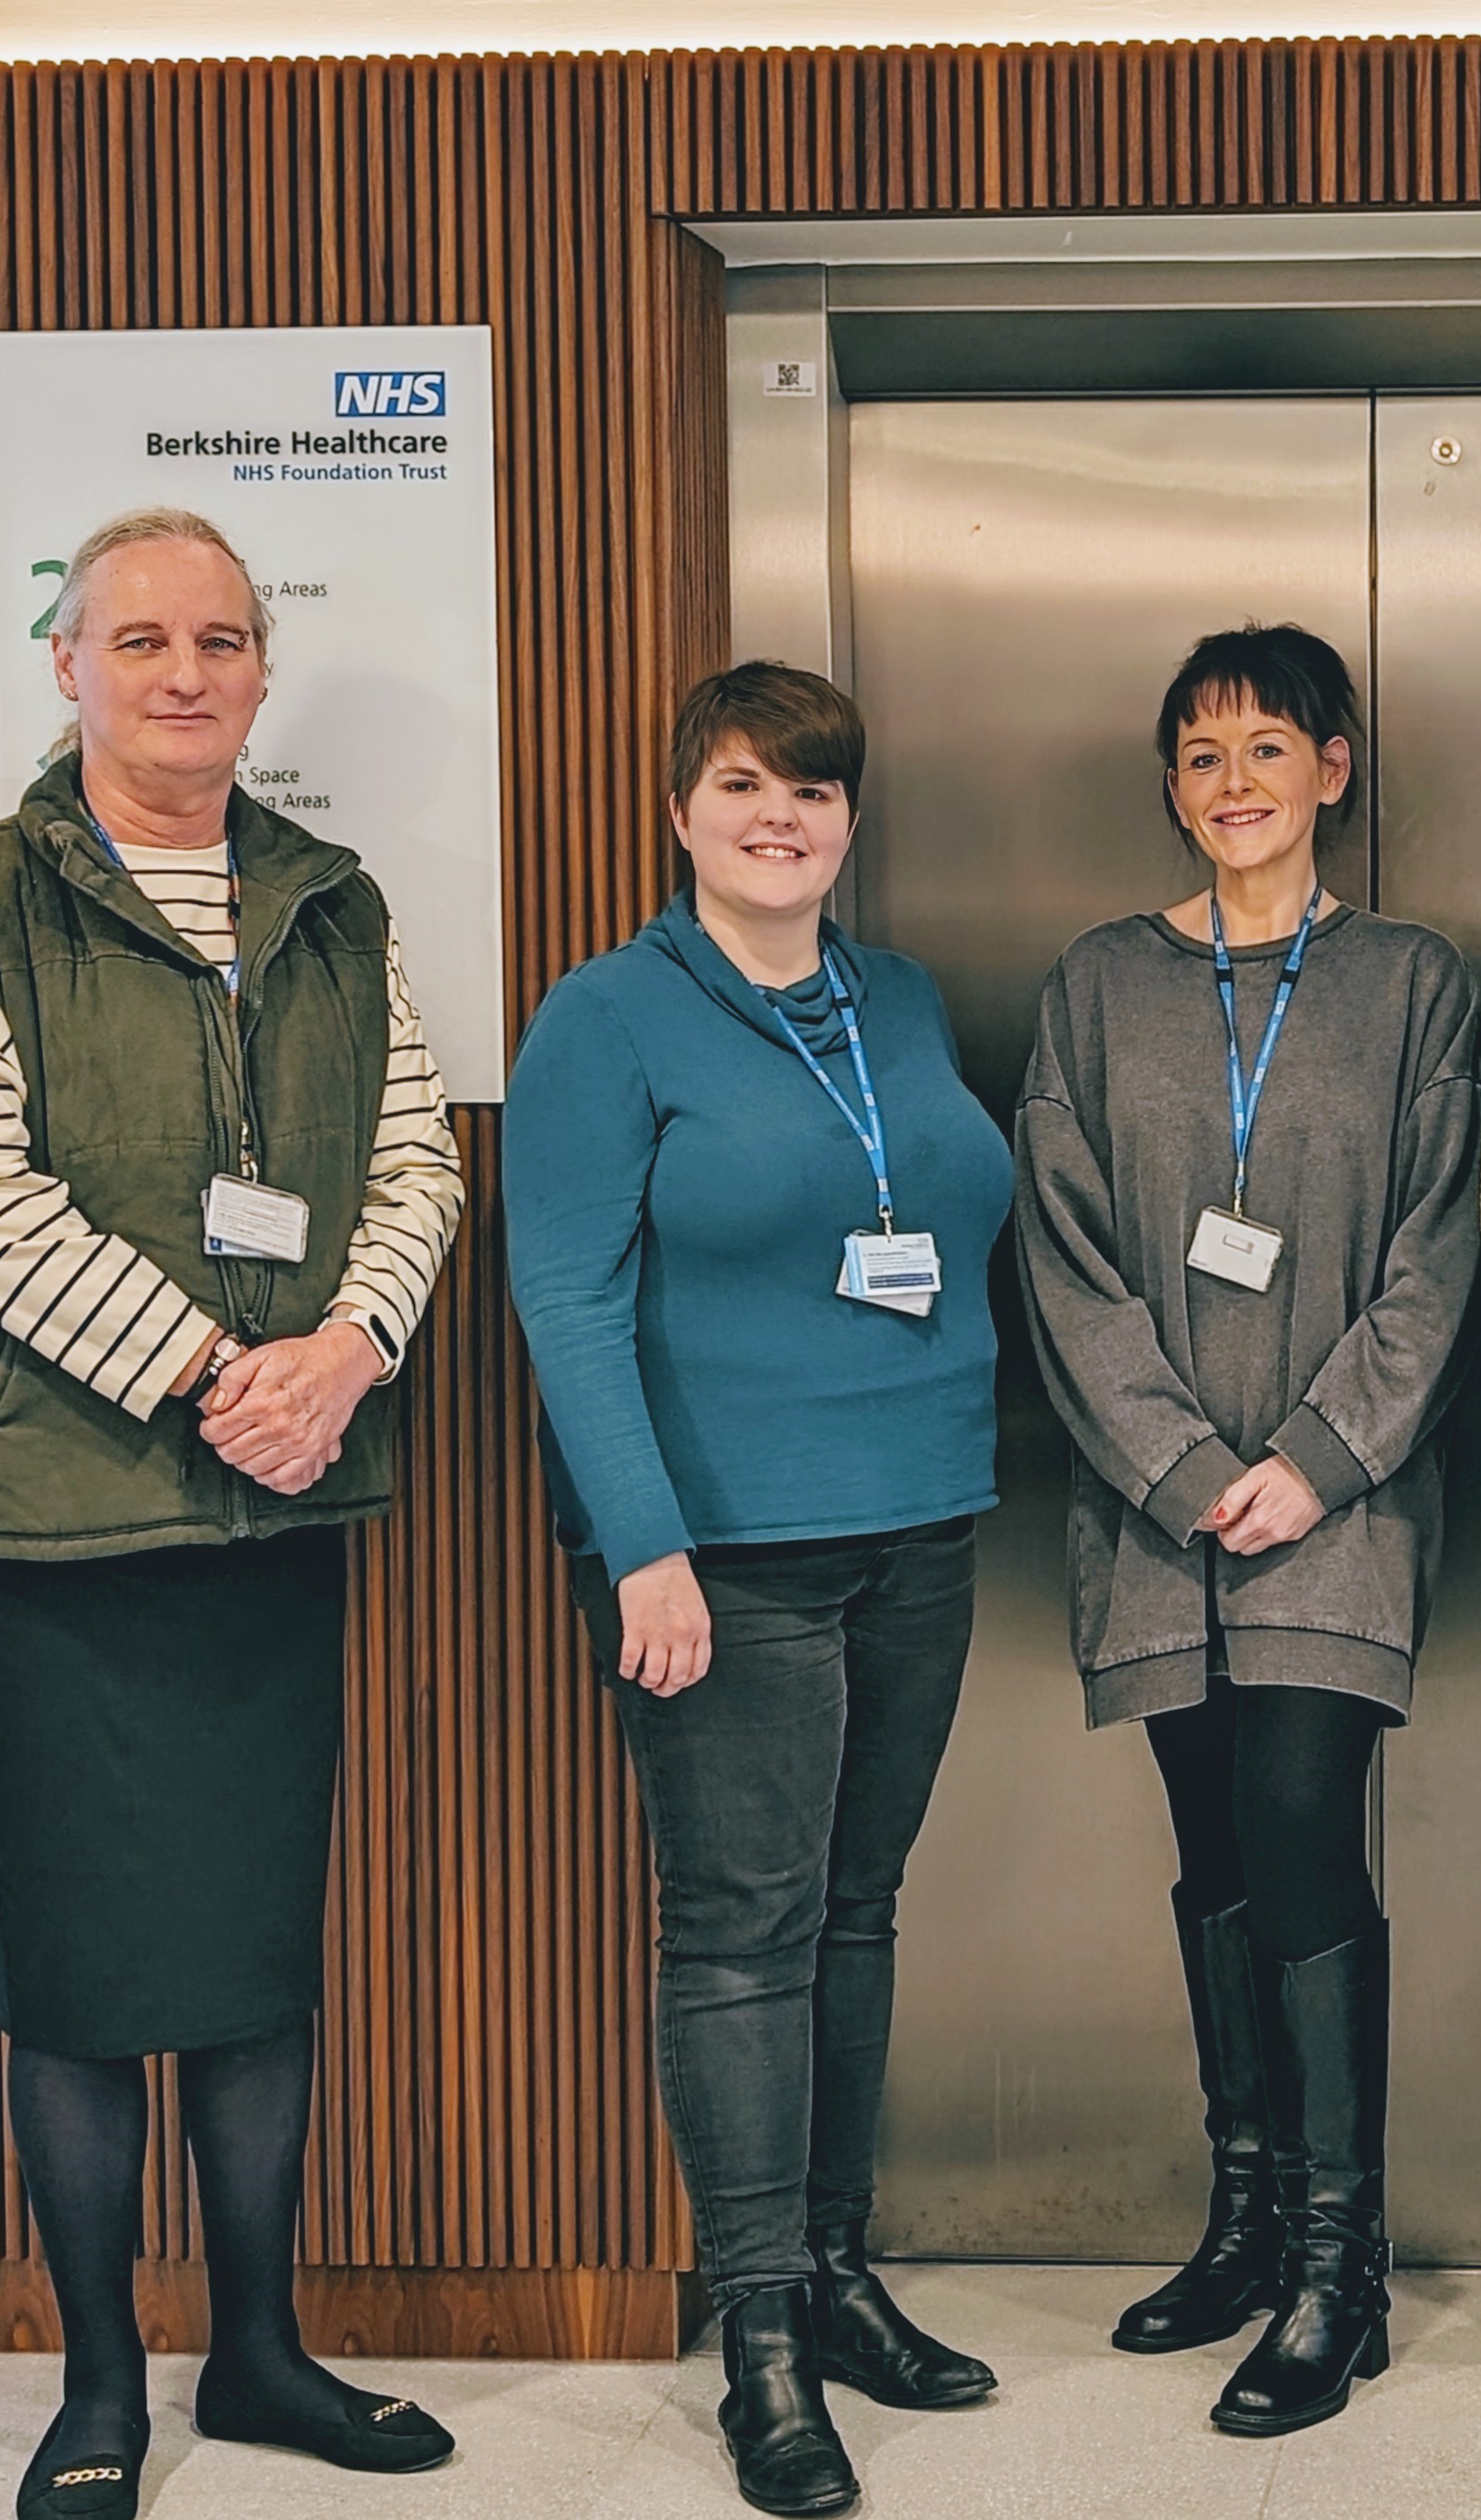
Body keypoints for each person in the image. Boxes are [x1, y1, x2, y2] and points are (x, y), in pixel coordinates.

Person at [0, 507, 465, 2520]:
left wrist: (354, 1344)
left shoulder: (330, 902)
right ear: (66, 664)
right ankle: (102, 2384)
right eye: (142, 639)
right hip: (65, 1519)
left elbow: (413, 1156)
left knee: (248, 1954)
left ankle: (267, 2350)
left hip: (276, 1516)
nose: (184, 672)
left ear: (260, 669)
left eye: (220, 638)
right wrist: (219, 1371)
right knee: (81, 1967)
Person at [504, 662, 1016, 2520]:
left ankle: (837, 2266)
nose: (778, 817)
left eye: (810, 789)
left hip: (922, 1521)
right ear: (681, 811)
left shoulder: (899, 998)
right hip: (720, 1557)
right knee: (741, 1929)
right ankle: (761, 2340)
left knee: (853, 1910)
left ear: (847, 819)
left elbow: (949, 1215)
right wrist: (640, 1539)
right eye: (740, 786)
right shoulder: (606, 1018)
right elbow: (559, 1294)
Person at [1014, 623, 1481, 2438]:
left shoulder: (1410, 981)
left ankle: (1332, 2258)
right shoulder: (1095, 983)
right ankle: (1240, 2212)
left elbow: (1436, 1251)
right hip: (1155, 1511)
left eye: (1266, 748)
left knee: (1297, 1823)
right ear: (1170, 783)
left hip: (1332, 1504)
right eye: (1199, 753)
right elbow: (1057, 1250)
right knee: (1210, 1841)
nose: (1233, 782)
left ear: (1333, 767)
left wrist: (1313, 1453)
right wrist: (1172, 1462)